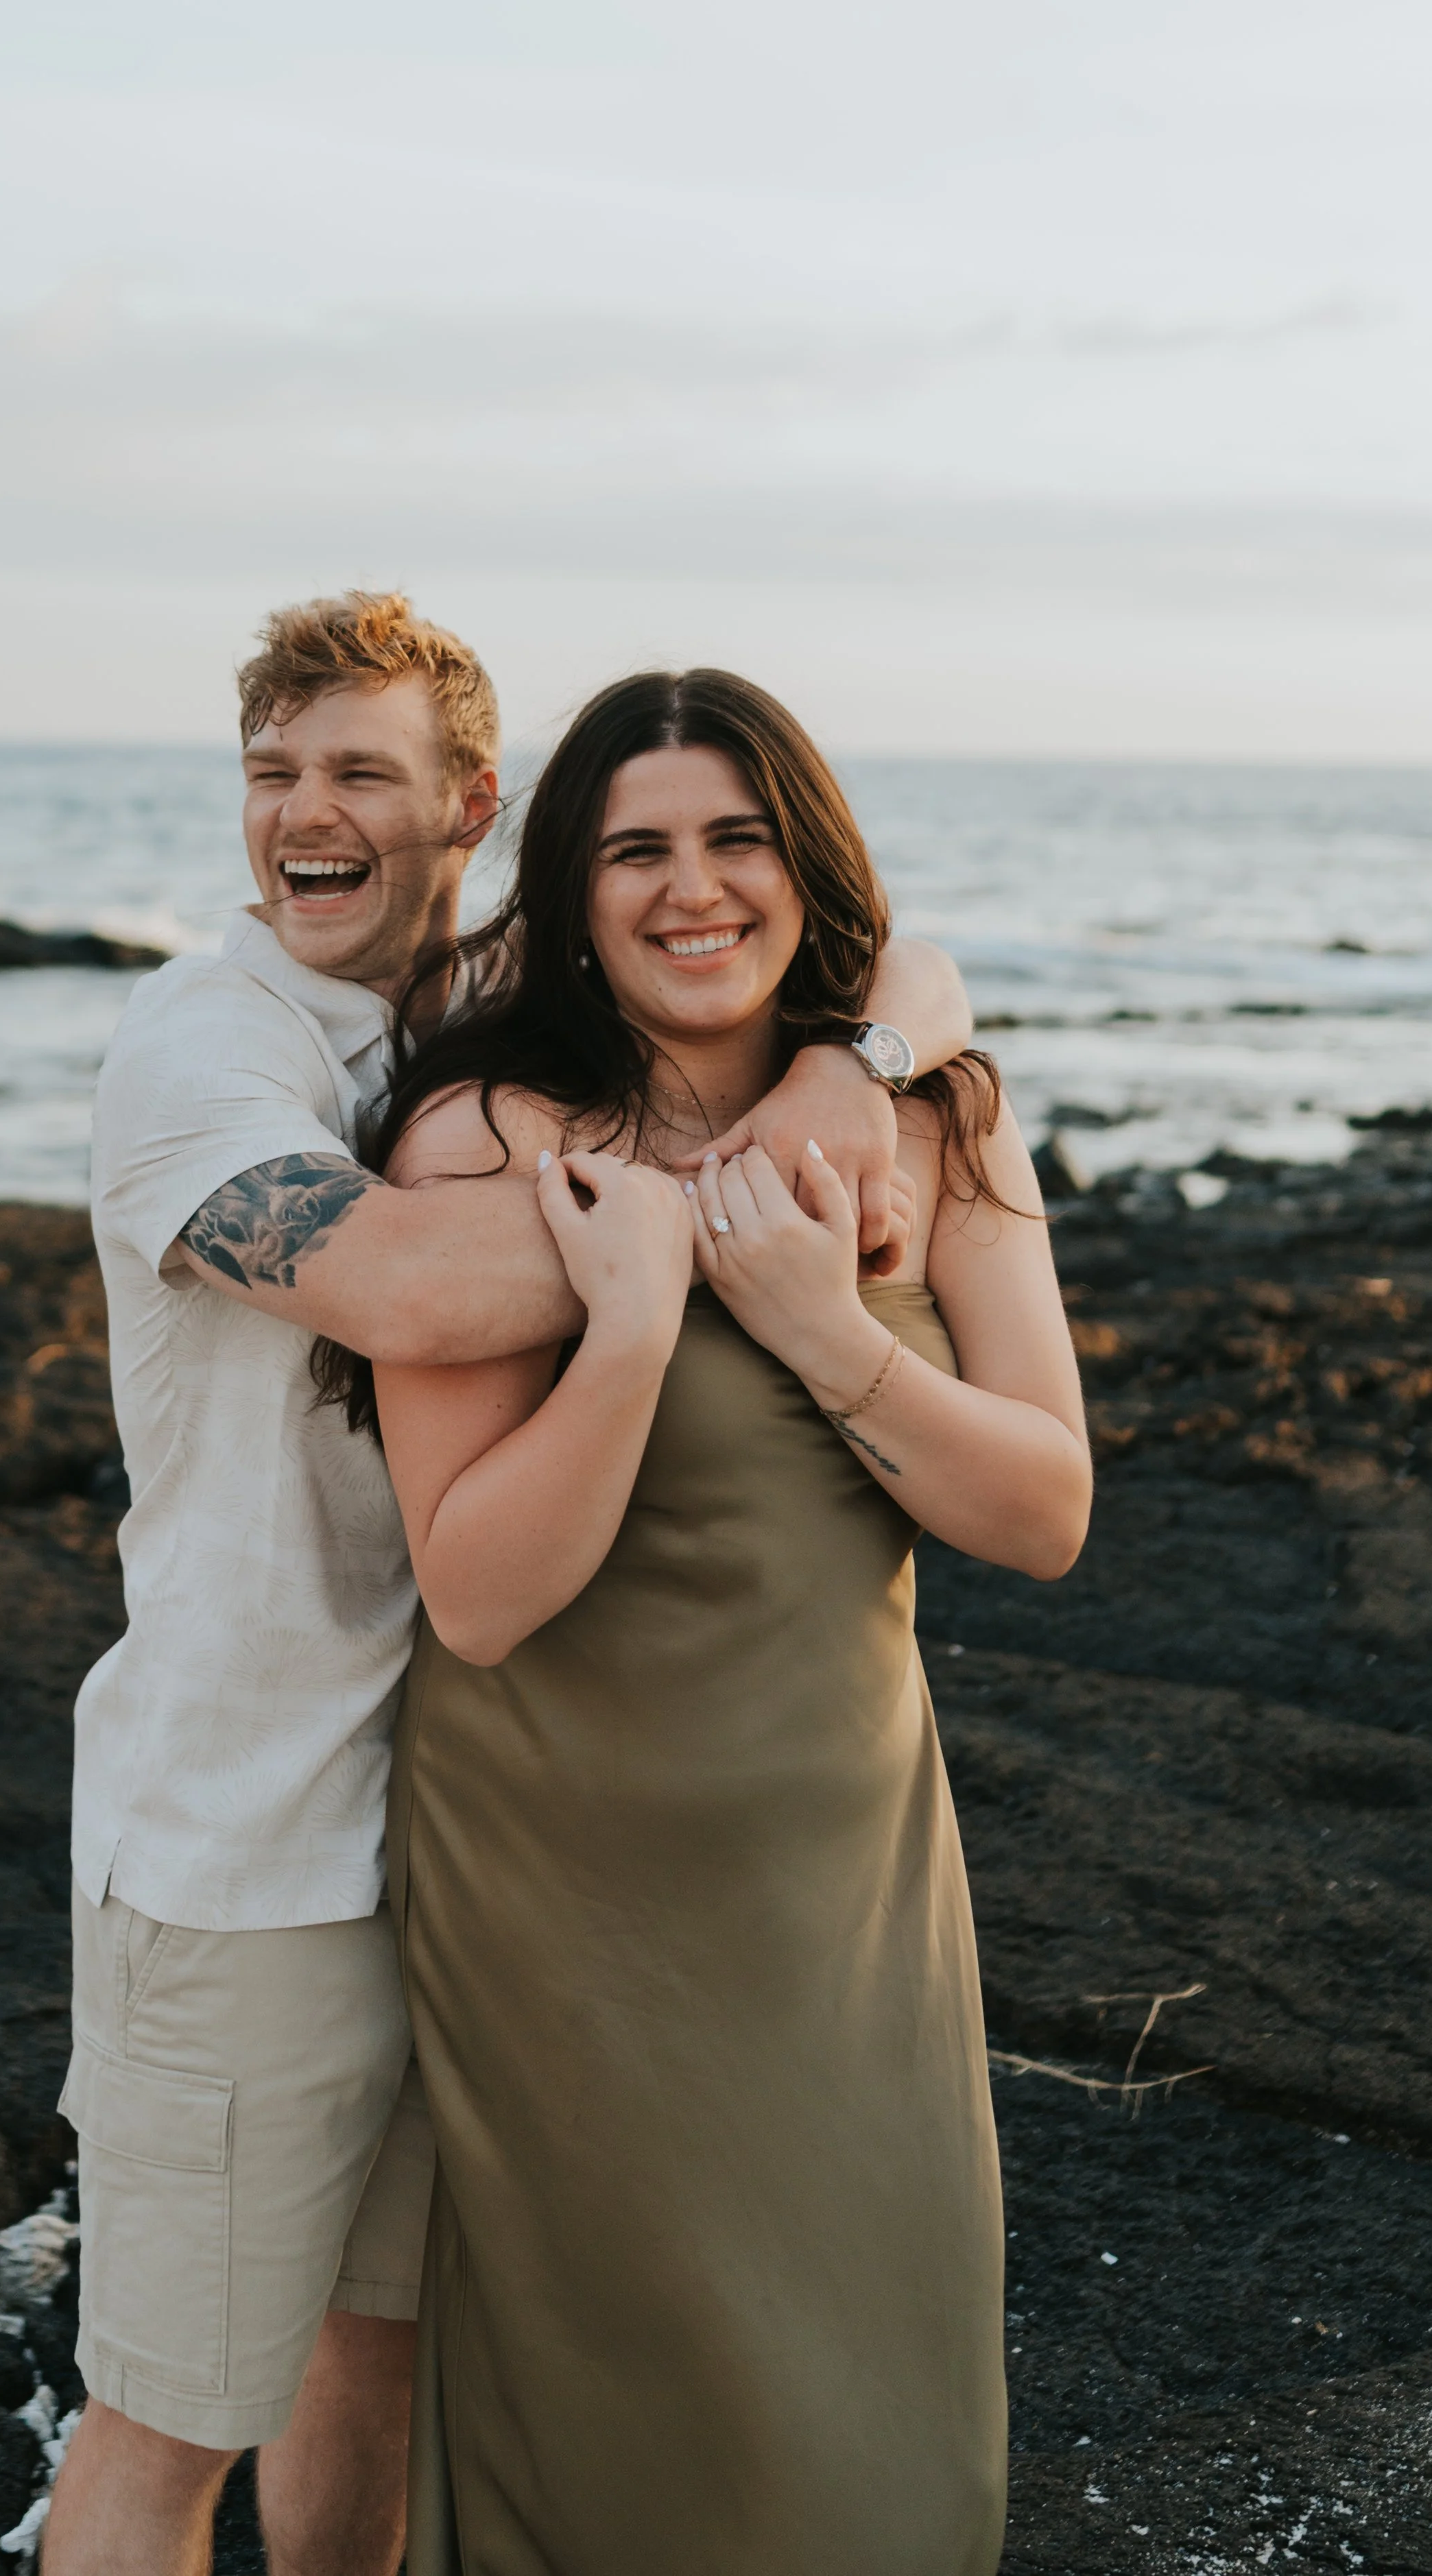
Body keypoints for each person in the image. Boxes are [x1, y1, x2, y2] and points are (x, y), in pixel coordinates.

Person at [43, 597, 977, 2576]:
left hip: (475, 1837)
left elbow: (909, 954)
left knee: (372, 2361)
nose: (307, 814)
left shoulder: (460, 999)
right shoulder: (198, 1046)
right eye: (274, 773)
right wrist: (717, 1227)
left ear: (468, 807)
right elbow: (394, 1281)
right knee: (168, 2417)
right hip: (245, 1848)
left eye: (359, 773)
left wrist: (839, 1082)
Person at [356, 668, 1092, 2575]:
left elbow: (1043, 1505)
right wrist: (626, 1318)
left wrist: (823, 1327)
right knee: (611, 2413)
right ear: (574, 895)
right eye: (637, 850)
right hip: (559, 1872)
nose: (693, 888)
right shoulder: (484, 1137)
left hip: (839, 1864)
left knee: (875, 2426)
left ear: (804, 860)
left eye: (736, 836)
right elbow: (480, 1590)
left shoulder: (934, 1127)